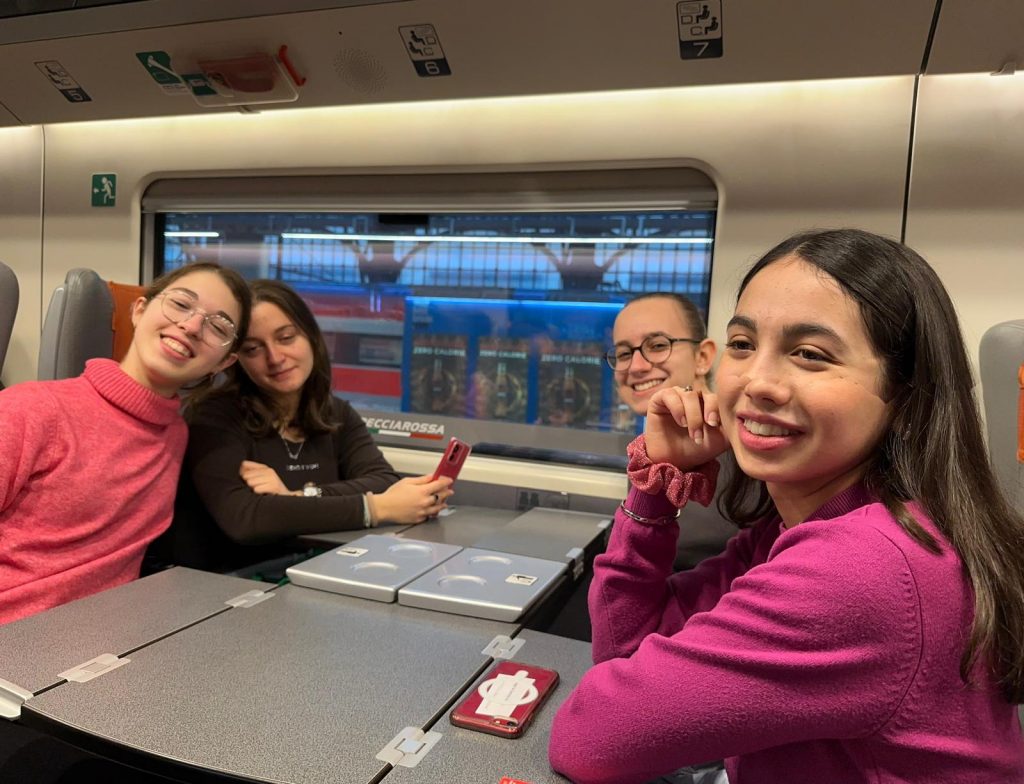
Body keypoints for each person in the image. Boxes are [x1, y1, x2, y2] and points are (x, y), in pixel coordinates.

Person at [549, 229, 1024, 783]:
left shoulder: (861, 570)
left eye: (809, 354)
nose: (758, 381)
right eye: (743, 344)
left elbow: (589, 737)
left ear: (904, 396)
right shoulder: (795, 527)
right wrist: (656, 485)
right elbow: (624, 648)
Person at [0, 262, 251, 625]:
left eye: (218, 327)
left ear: (224, 362)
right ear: (139, 310)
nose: (192, 326)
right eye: (181, 304)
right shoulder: (31, 409)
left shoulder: (176, 436)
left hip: (110, 640)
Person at [165, 279, 454, 573]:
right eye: (253, 349)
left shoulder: (335, 413)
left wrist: (296, 497)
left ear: (311, 337)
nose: (275, 358)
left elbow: (382, 480)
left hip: (316, 569)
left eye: (286, 337)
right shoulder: (213, 417)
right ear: (236, 361)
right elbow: (245, 519)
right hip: (230, 581)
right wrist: (376, 509)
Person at [609, 292, 733, 570]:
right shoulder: (647, 450)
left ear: (702, 357)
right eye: (624, 353)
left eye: (657, 345)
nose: (636, 367)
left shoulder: (745, 450)